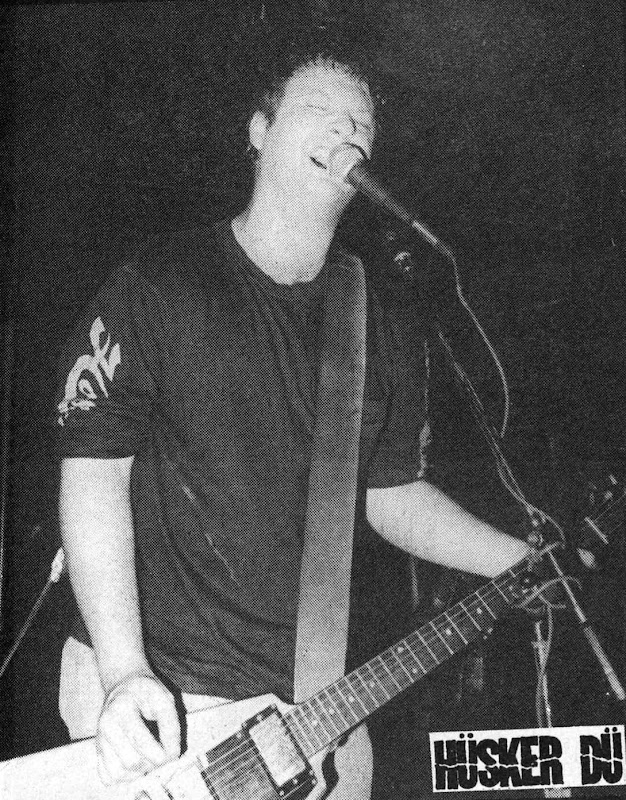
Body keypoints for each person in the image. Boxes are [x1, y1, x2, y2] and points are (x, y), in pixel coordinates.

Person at [54, 35, 529, 799]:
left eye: (361, 124)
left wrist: (518, 560)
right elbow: (94, 472)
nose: (347, 130)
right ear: (259, 131)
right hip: (161, 701)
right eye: (319, 110)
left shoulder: (380, 322)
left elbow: (389, 493)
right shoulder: (162, 281)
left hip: (314, 712)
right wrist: (123, 672)